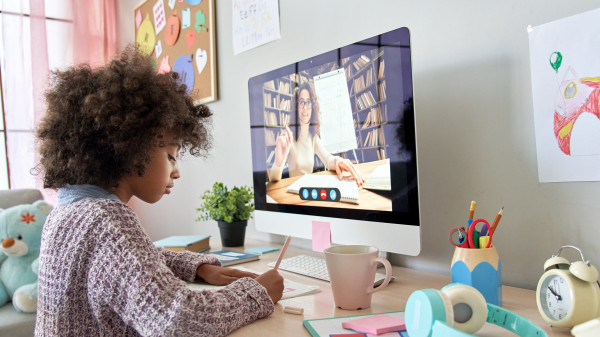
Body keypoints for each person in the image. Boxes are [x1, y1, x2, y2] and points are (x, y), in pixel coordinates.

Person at [34, 46, 284, 337]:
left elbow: (134, 259)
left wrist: (199, 267)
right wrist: (256, 292)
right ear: (132, 148)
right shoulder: (106, 220)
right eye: (171, 155)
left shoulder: (67, 212)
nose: (176, 171)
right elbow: (178, 320)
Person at [268, 82, 365, 186]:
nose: (305, 107)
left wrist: (338, 160)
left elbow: (327, 159)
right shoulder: (288, 136)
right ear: (296, 107)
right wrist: (278, 163)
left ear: (313, 106)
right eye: (301, 102)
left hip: (308, 190)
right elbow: (273, 179)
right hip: (293, 191)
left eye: (308, 102)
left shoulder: (313, 137)